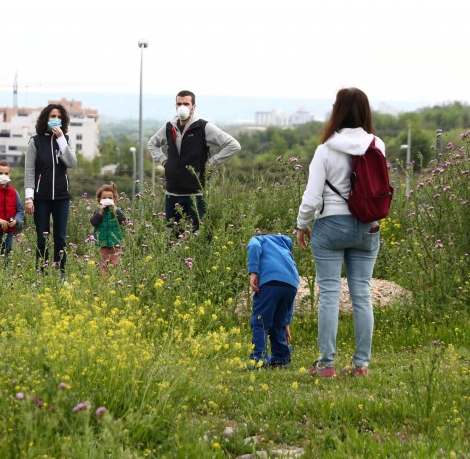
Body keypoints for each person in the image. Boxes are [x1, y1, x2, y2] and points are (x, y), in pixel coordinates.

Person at [295, 87, 385, 378]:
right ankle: (361, 365)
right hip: (367, 226)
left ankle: (326, 364)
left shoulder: (325, 149)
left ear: (337, 111)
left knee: (330, 295)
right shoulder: (377, 144)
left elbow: (312, 198)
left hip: (331, 226)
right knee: (362, 294)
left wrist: (301, 225)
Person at [147, 90, 241, 238]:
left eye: (186, 104)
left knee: (202, 236)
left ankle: (204, 261)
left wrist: (211, 162)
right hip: (172, 194)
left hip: (196, 194)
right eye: (179, 104)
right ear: (175, 106)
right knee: (172, 238)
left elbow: (233, 145)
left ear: (193, 106)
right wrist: (164, 161)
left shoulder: (203, 127)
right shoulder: (169, 127)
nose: (182, 107)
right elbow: (152, 144)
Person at [24, 103, 77, 274]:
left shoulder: (66, 140)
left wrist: (61, 139)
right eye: (52, 116)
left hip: (62, 197)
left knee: (60, 238)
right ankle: (41, 273)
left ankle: (61, 273)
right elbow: (29, 171)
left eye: (59, 117)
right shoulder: (36, 141)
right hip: (41, 198)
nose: (56, 120)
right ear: (46, 118)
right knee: (42, 238)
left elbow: (71, 163)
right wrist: (29, 197)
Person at [246, 234, 300, 368]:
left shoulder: (260, 239)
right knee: (278, 323)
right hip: (291, 285)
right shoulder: (285, 250)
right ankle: (281, 359)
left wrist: (253, 272)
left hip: (270, 282)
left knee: (260, 321)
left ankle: (259, 359)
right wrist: (287, 322)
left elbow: (253, 246)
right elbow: (290, 300)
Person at [90, 183, 126, 274]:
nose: (107, 200)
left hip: (116, 244)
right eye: (104, 198)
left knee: (116, 265)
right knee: (102, 266)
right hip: (103, 244)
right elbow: (94, 222)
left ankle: (115, 282)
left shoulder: (118, 210)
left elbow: (123, 221)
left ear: (114, 199)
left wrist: (115, 209)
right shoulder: (97, 211)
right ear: (99, 200)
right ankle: (104, 283)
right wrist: (100, 212)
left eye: (110, 198)